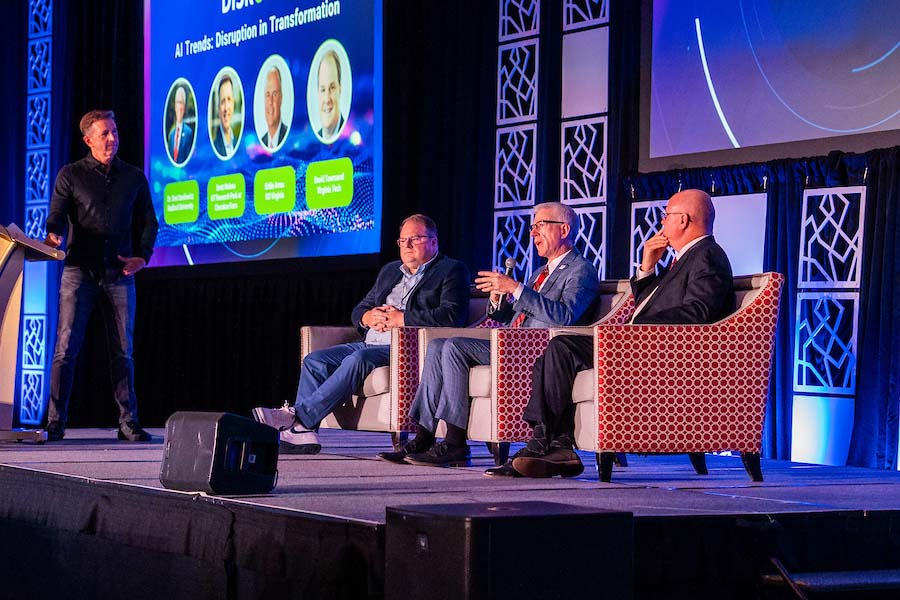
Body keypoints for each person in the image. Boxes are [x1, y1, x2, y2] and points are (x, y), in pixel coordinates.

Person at [489, 189, 735, 478]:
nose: (662, 223)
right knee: (557, 349)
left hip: (663, 354)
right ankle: (556, 444)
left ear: (682, 220)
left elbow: (698, 313)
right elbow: (650, 302)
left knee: (562, 346)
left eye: (666, 216)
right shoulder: (685, 257)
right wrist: (647, 267)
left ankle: (545, 443)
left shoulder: (707, 256)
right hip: (640, 344)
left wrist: (635, 328)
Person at [377, 202, 600, 467]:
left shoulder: (581, 269)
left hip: (541, 350)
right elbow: (519, 317)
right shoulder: (540, 272)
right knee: (437, 345)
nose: (533, 234)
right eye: (532, 227)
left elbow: (564, 316)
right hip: (513, 342)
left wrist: (517, 288)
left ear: (563, 229)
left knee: (454, 347)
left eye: (540, 225)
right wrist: (498, 302)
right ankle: (424, 436)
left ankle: (455, 442)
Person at [251, 215, 470, 453]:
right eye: (403, 240)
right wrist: (368, 317)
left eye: (415, 238)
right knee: (314, 361)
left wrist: (402, 318)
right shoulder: (390, 271)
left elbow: (451, 316)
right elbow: (359, 310)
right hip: (369, 341)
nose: (407, 245)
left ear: (434, 242)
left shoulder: (451, 270)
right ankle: (305, 433)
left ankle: (297, 415)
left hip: (403, 347)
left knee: (357, 361)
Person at [42, 110, 159, 442]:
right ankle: (55, 422)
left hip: (119, 273)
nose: (112, 139)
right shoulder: (71, 175)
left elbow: (150, 222)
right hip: (79, 272)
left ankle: (128, 422)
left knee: (124, 351)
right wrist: (53, 234)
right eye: (104, 134)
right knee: (66, 348)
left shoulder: (133, 177)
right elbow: (57, 213)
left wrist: (143, 257)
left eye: (115, 132)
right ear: (88, 140)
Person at [316, 50, 344, 142]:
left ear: (340, 90)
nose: (327, 99)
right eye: (323, 90)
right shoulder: (314, 142)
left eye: (332, 88)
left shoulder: (347, 140)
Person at [261, 66, 288, 149]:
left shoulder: (289, 137)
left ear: (281, 98)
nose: (270, 101)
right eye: (267, 95)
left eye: (275, 94)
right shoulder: (262, 141)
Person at [212, 75, 237, 157]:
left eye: (229, 99)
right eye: (223, 101)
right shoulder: (214, 148)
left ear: (233, 104)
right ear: (218, 109)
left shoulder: (238, 143)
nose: (226, 108)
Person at [167, 86, 193, 164]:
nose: (180, 107)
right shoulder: (171, 135)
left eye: (182, 103)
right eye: (178, 102)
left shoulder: (188, 132)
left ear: (184, 107)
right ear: (175, 106)